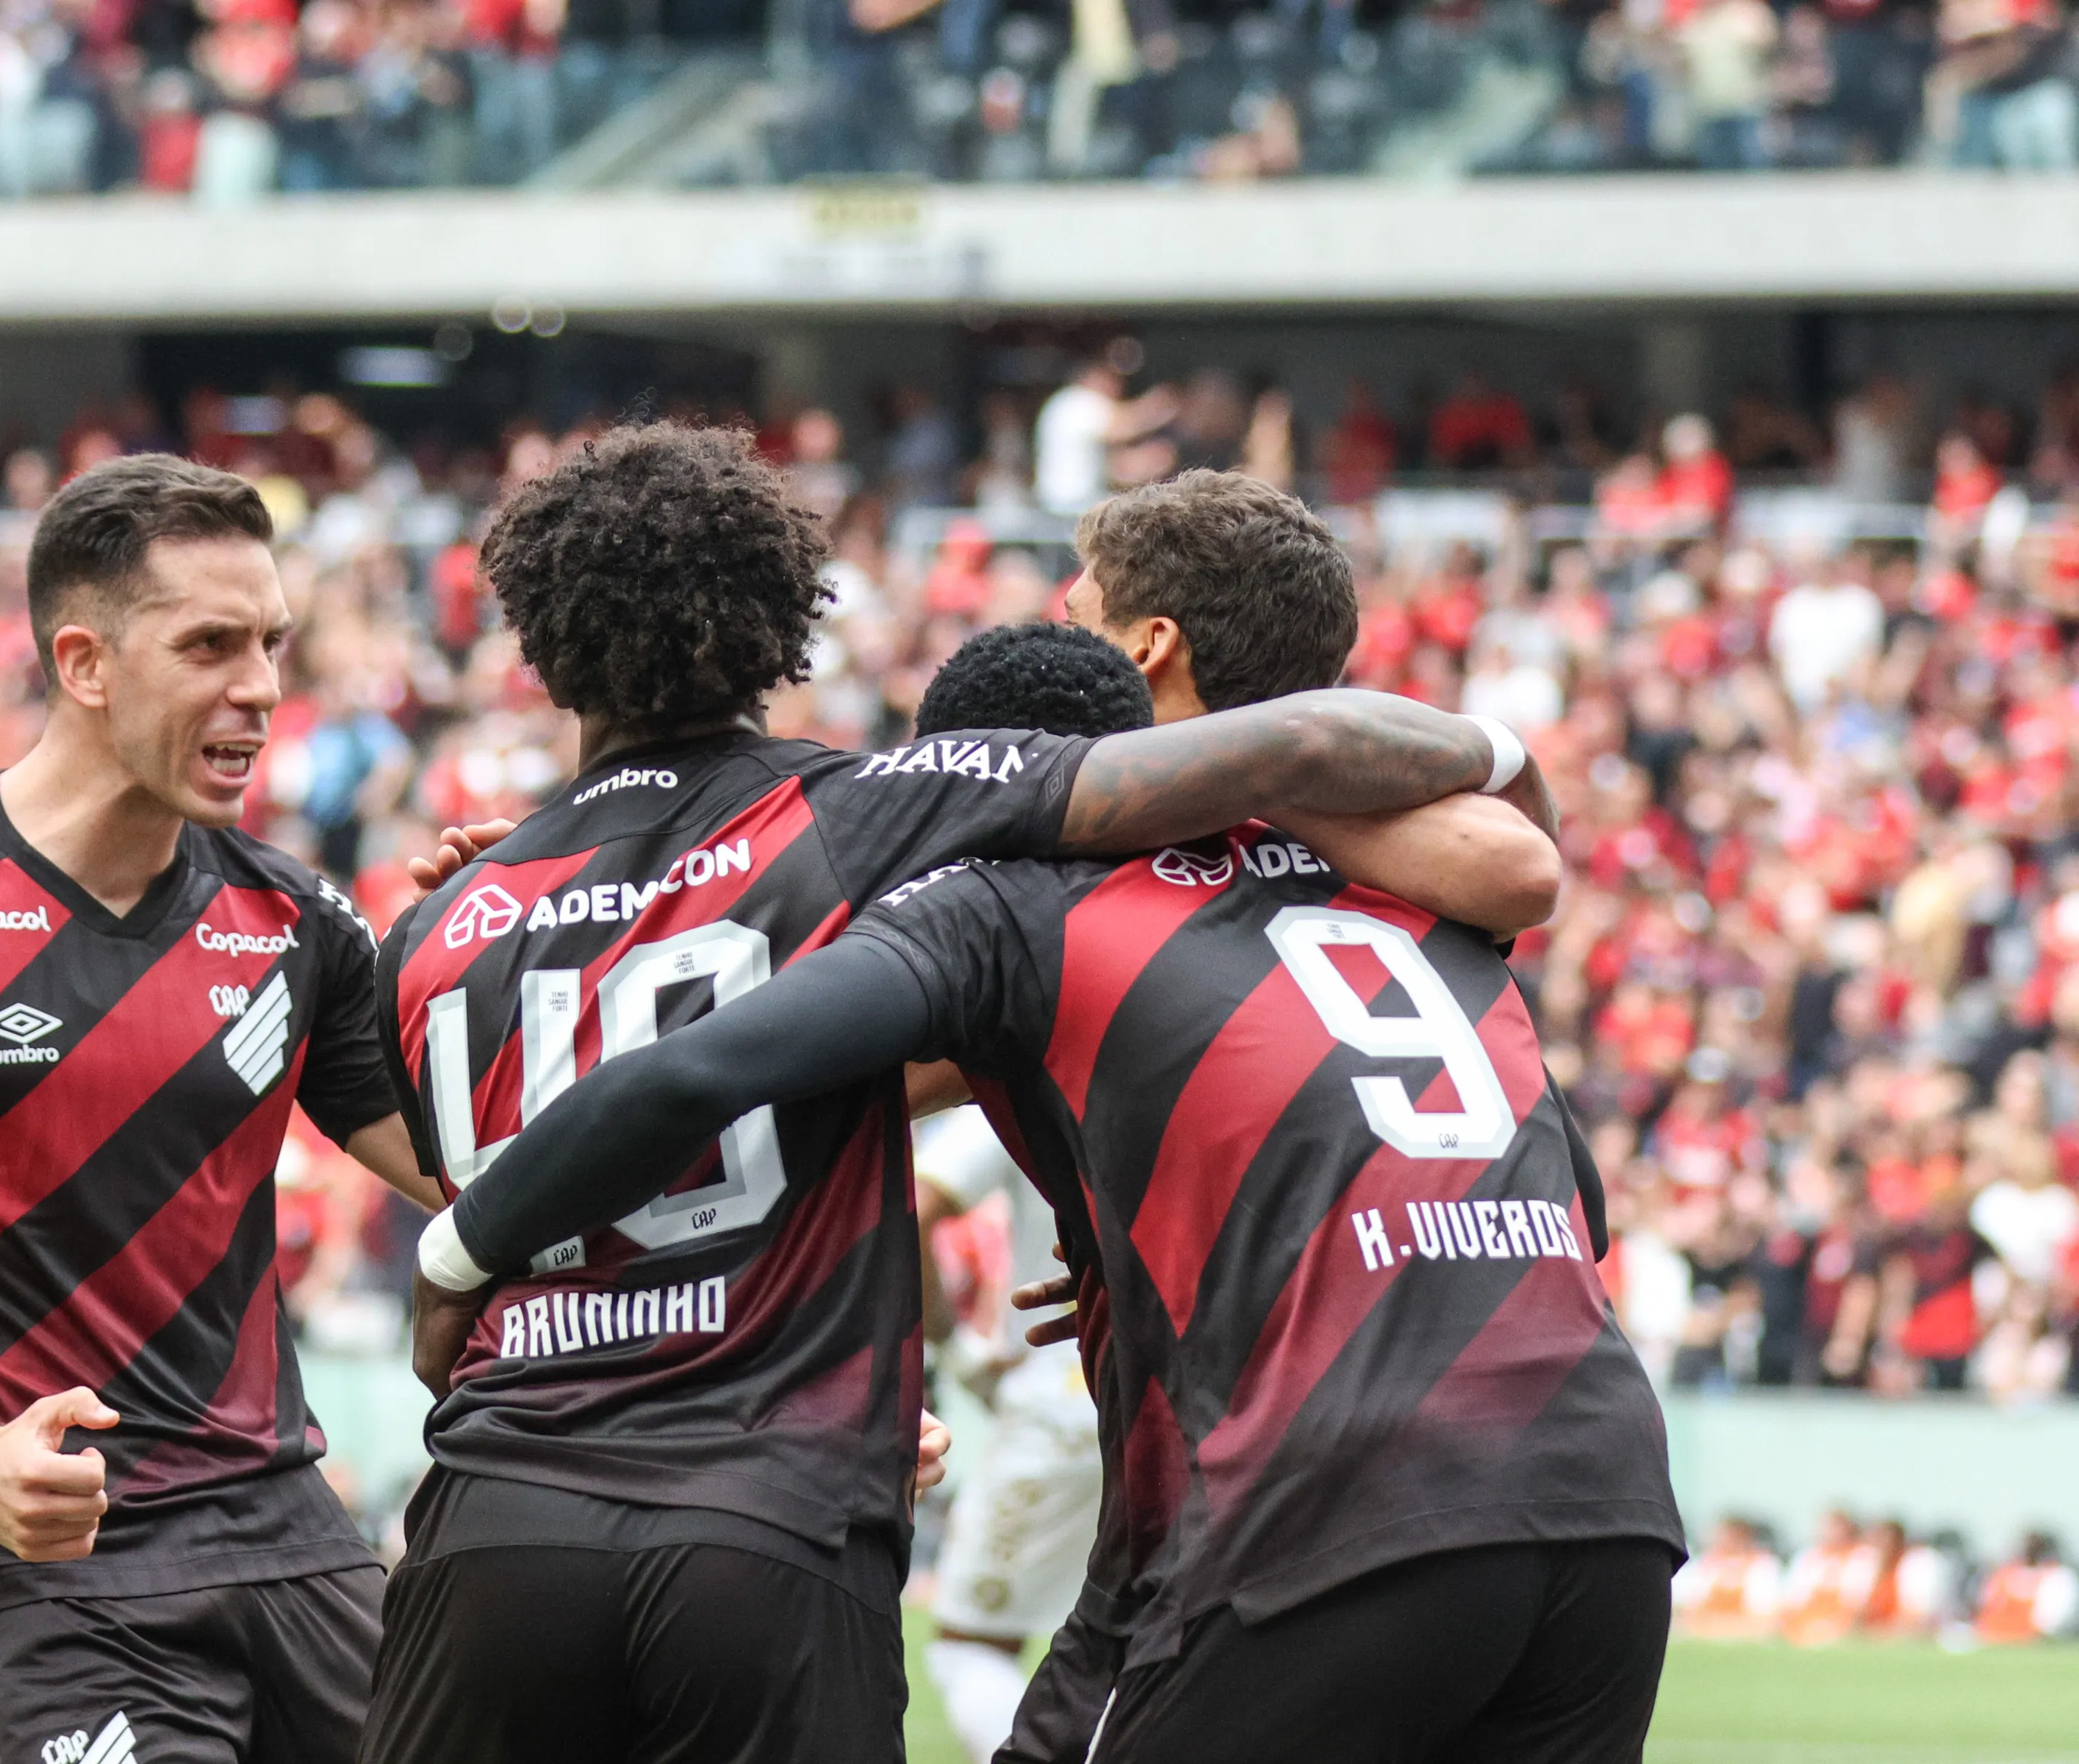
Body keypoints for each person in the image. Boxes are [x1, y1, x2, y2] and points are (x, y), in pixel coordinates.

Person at [410, 472, 1685, 1763]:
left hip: (1329, 1494)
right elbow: (1560, 1179)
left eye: (1073, 601)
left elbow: (708, 1077)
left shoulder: (1017, 903)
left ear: (1142, 657)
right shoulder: (1419, 882)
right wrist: (1151, 1219)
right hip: (1605, 1500)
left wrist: (464, 1235)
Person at [0, 454, 440, 1764]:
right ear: (85, 664)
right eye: (210, 646)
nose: (262, 688)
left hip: (292, 1537)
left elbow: (483, 1171)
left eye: (273, 644)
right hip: (55, 1557)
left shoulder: (295, 917)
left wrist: (498, 943)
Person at [908, 626, 1155, 1764]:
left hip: (1057, 1403)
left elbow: (920, 1200)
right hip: (1160, 1386)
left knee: (968, 1640)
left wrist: (948, 1345)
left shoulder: (1016, 1003)